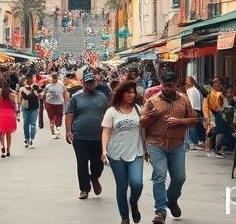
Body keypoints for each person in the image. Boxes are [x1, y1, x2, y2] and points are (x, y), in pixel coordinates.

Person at [139, 70, 196, 224]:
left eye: (171, 85)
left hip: (177, 144)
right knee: (159, 175)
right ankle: (160, 211)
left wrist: (180, 122)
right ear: (161, 84)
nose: (168, 88)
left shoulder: (184, 100)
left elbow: (193, 120)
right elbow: (142, 124)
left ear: (176, 84)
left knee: (179, 177)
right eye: (165, 85)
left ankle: (171, 199)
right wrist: (150, 117)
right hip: (155, 144)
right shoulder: (152, 101)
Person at [102, 80, 147, 224]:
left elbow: (144, 130)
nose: (131, 95)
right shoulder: (112, 111)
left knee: (137, 183)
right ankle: (124, 217)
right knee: (121, 186)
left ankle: (133, 202)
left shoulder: (139, 109)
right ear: (121, 94)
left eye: (133, 92)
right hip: (116, 154)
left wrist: (146, 149)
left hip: (136, 152)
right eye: (128, 92)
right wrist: (103, 150)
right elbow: (106, 131)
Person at [65, 70, 109, 200]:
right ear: (83, 83)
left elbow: (107, 114)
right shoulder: (76, 98)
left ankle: (94, 177)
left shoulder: (102, 97)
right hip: (80, 136)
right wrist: (68, 131)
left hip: (98, 137)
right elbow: (69, 115)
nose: (90, 85)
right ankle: (84, 189)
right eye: (87, 82)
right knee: (82, 163)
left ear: (95, 83)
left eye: (92, 82)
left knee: (98, 164)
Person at [0, 76, 18, 158]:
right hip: (10, 114)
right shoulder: (12, 93)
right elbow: (15, 105)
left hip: (1, 114)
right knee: (8, 133)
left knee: (1, 133)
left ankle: (3, 148)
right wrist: (17, 114)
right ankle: (8, 150)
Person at [19, 75, 42, 148]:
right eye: (31, 78)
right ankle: (27, 139)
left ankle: (31, 140)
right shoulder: (22, 88)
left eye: (32, 78)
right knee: (26, 124)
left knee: (33, 125)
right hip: (25, 107)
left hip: (34, 108)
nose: (32, 80)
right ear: (27, 79)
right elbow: (20, 99)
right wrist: (17, 109)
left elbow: (41, 95)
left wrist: (38, 92)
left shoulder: (36, 87)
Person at [44, 72, 68, 138]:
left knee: (59, 117)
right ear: (51, 78)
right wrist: (44, 103)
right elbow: (44, 94)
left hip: (59, 103)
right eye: (53, 78)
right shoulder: (48, 86)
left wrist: (65, 100)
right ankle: (53, 133)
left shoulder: (61, 85)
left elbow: (65, 92)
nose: (55, 79)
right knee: (51, 118)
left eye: (56, 77)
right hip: (50, 103)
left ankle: (57, 128)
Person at [185, 76, 205, 150]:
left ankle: (193, 143)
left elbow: (191, 102)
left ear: (190, 82)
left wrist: (191, 111)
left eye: (187, 80)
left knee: (191, 127)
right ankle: (193, 142)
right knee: (192, 127)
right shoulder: (195, 90)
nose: (185, 82)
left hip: (193, 110)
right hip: (197, 110)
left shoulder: (191, 90)